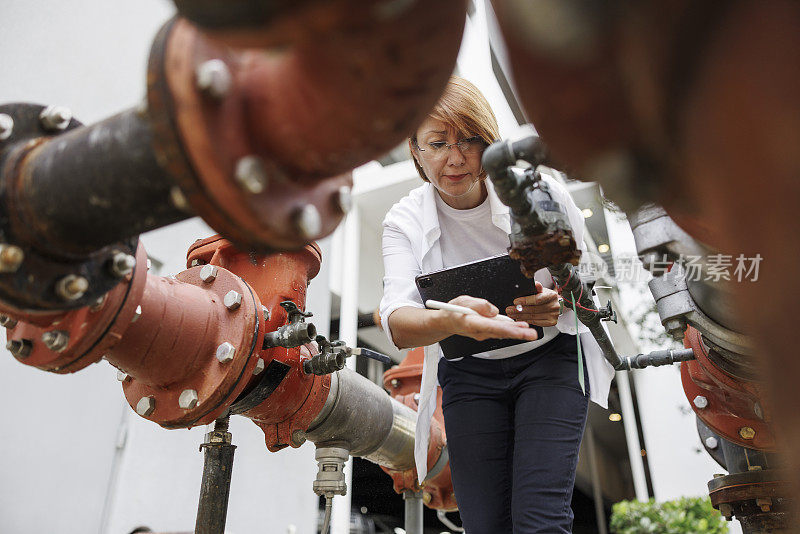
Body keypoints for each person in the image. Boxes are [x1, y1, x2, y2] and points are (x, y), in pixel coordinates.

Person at [379, 77, 614, 533]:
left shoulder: (538, 194)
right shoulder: (404, 219)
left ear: (488, 144)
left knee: (539, 519)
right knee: (485, 523)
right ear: (414, 149)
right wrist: (450, 319)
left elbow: (583, 285)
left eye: (470, 140)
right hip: (469, 374)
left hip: (551, 361)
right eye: (438, 142)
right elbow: (396, 320)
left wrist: (558, 302)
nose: (455, 156)